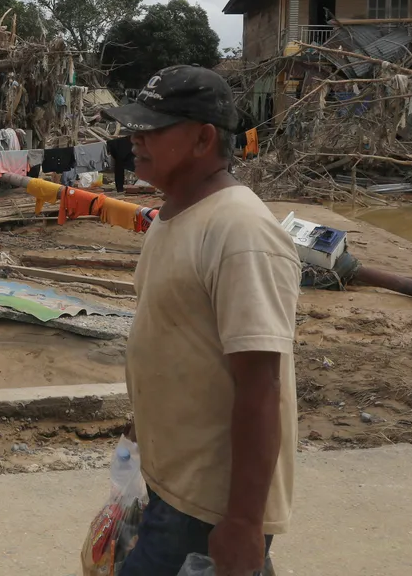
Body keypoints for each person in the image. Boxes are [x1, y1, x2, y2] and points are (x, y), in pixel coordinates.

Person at [102, 66, 300, 576]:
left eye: (153, 129)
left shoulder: (240, 230)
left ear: (203, 138)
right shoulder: (172, 217)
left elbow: (261, 386)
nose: (135, 140)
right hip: (170, 482)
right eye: (134, 127)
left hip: (209, 507)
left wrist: (243, 523)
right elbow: (176, 340)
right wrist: (141, 428)